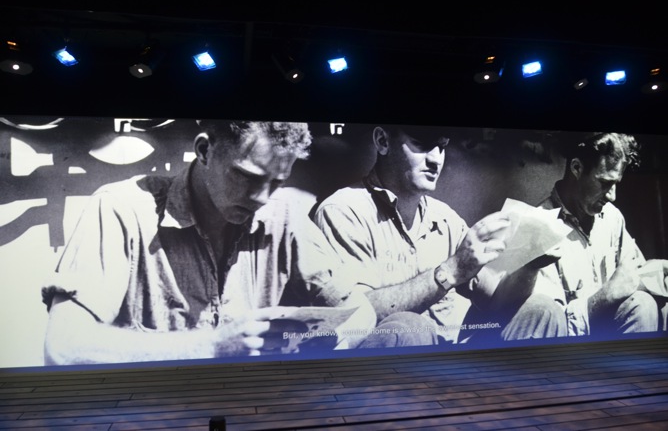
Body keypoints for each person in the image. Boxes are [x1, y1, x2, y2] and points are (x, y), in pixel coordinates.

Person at [41, 120, 374, 365]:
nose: (261, 198)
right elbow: (64, 348)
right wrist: (213, 346)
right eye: (248, 176)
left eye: (276, 182)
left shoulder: (286, 213)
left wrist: (327, 347)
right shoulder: (120, 208)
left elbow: (361, 312)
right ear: (204, 150)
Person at [311, 125, 567, 347]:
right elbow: (352, 316)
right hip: (388, 367)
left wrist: (530, 264)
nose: (436, 159)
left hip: (452, 359)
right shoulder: (343, 211)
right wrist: (451, 270)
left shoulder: (445, 218)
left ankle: (515, 388)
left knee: (543, 309)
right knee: (410, 327)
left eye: (442, 147)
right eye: (422, 144)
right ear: (382, 141)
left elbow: (498, 303)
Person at [534, 131, 665, 338]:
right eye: (605, 183)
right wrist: (606, 296)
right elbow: (548, 325)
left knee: (646, 303)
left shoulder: (612, 217)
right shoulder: (540, 226)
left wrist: (658, 273)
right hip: (568, 350)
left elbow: (632, 277)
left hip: (612, 336)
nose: (613, 196)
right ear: (577, 168)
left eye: (616, 183)